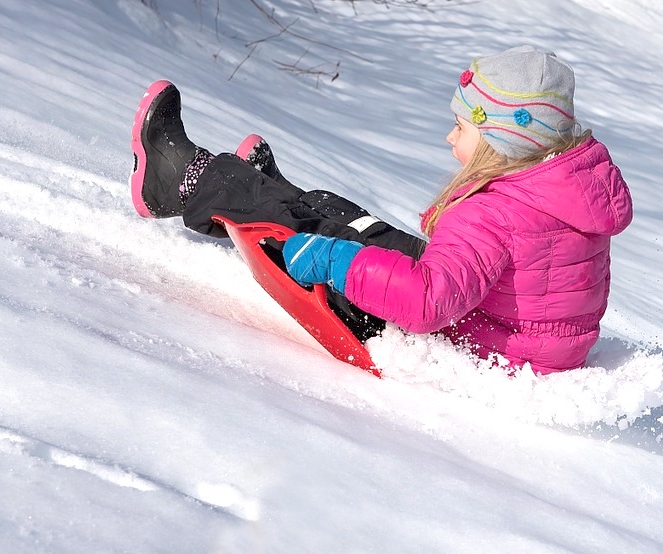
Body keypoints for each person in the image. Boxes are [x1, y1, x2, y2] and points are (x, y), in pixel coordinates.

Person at [130, 46, 634, 374]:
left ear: (502, 142)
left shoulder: (491, 215)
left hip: (460, 346)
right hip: (498, 334)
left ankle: (182, 181)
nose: (449, 137)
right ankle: (273, 191)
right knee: (348, 219)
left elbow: (423, 302)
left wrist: (337, 263)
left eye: (462, 129)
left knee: (333, 241)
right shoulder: (563, 193)